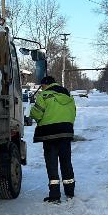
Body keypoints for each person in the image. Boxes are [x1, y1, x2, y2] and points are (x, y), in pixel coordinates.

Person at [29, 74, 77, 203]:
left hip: (49, 134)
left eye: (42, 86)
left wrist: (34, 113)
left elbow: (36, 114)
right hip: (66, 133)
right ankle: (70, 191)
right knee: (66, 162)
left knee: (52, 164)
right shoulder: (68, 96)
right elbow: (73, 113)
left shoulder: (44, 95)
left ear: (45, 85)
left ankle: (55, 195)